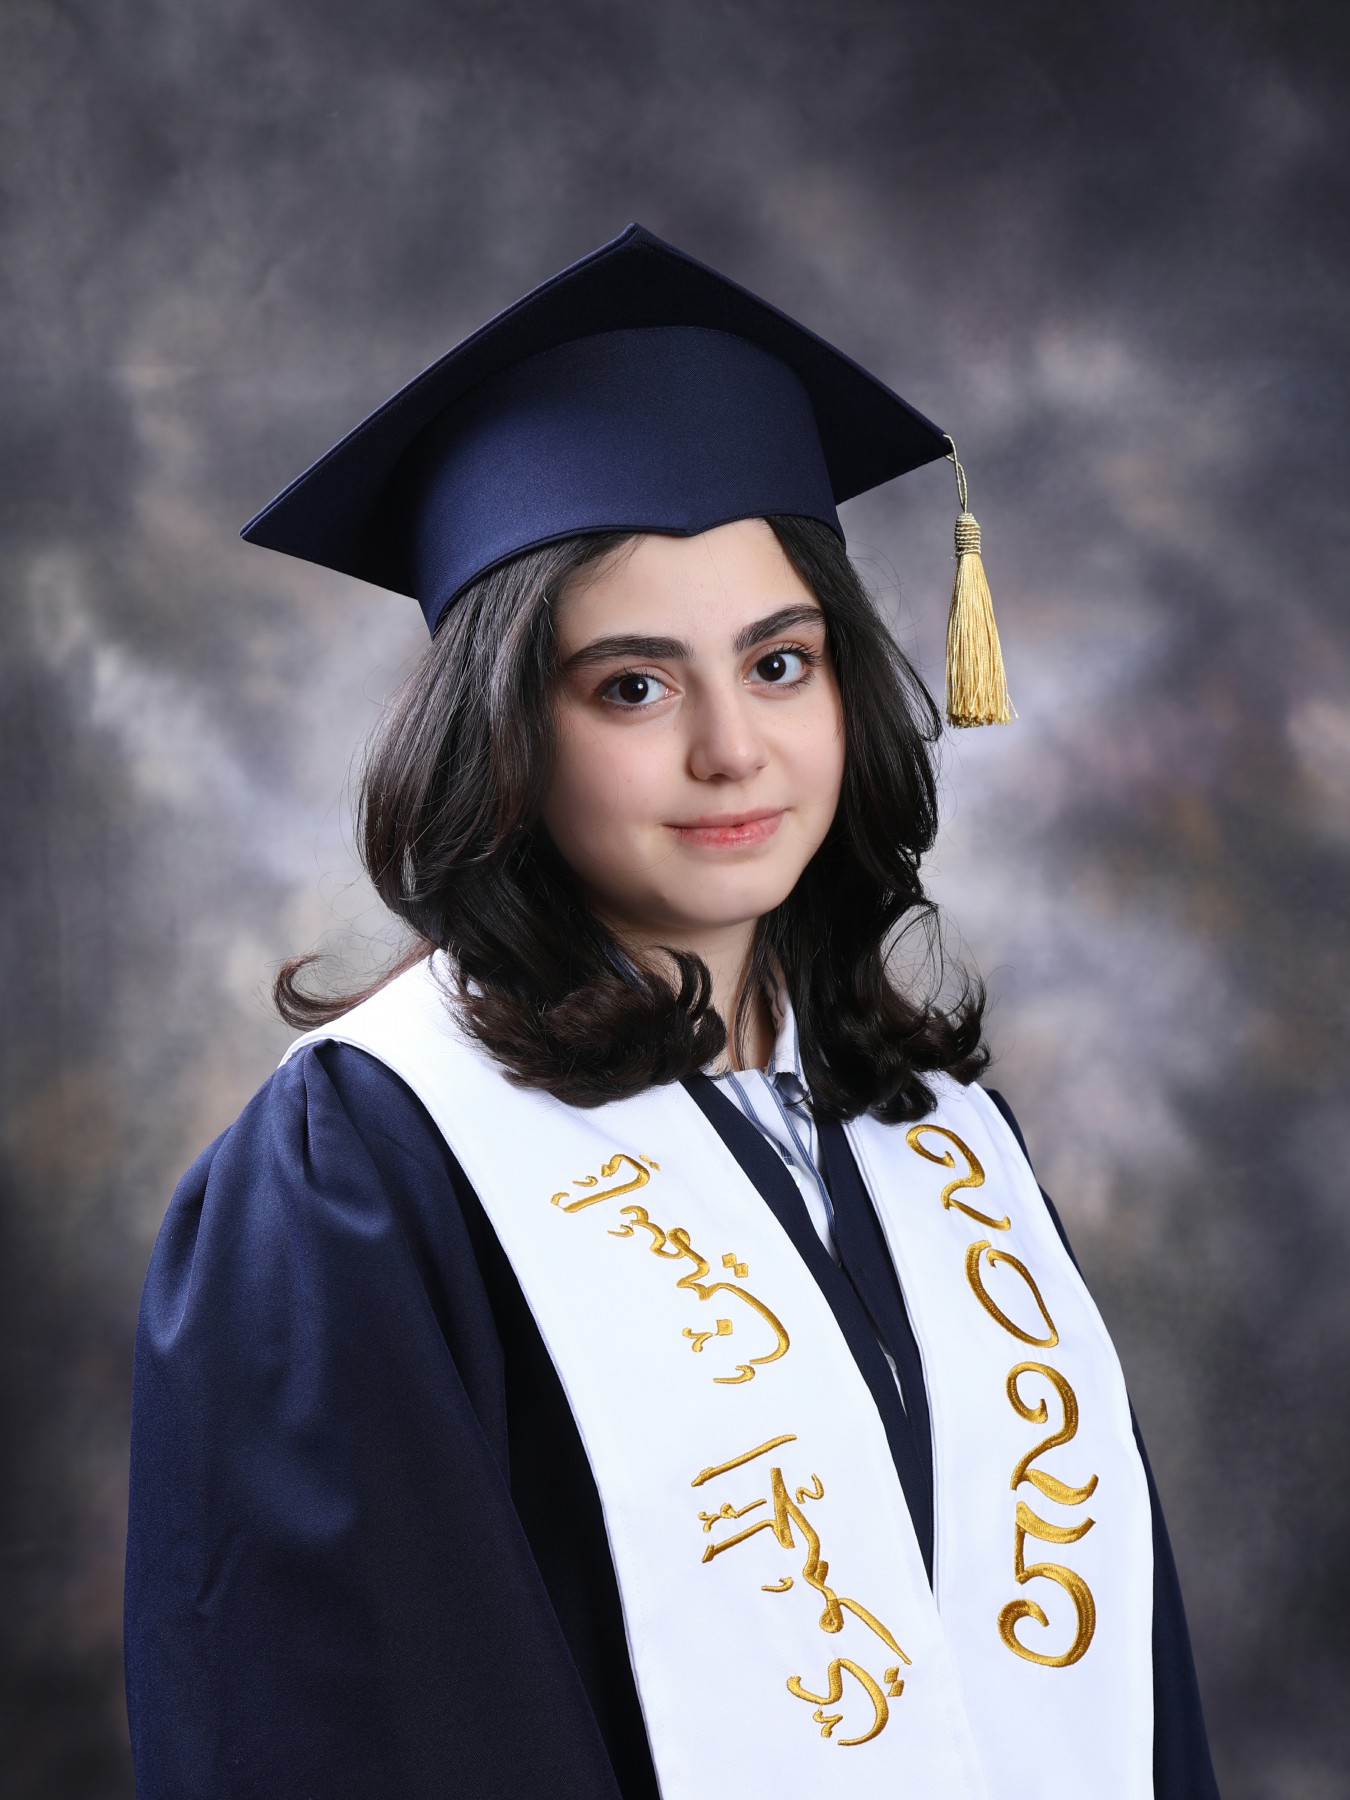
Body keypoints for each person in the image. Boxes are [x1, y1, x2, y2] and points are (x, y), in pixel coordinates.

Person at [123, 223, 1219, 1799]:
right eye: (630, 686)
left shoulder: (937, 1144)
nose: (731, 750)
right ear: (504, 735)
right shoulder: (365, 1167)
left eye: (779, 663)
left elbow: (1110, 1694)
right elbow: (347, 1723)